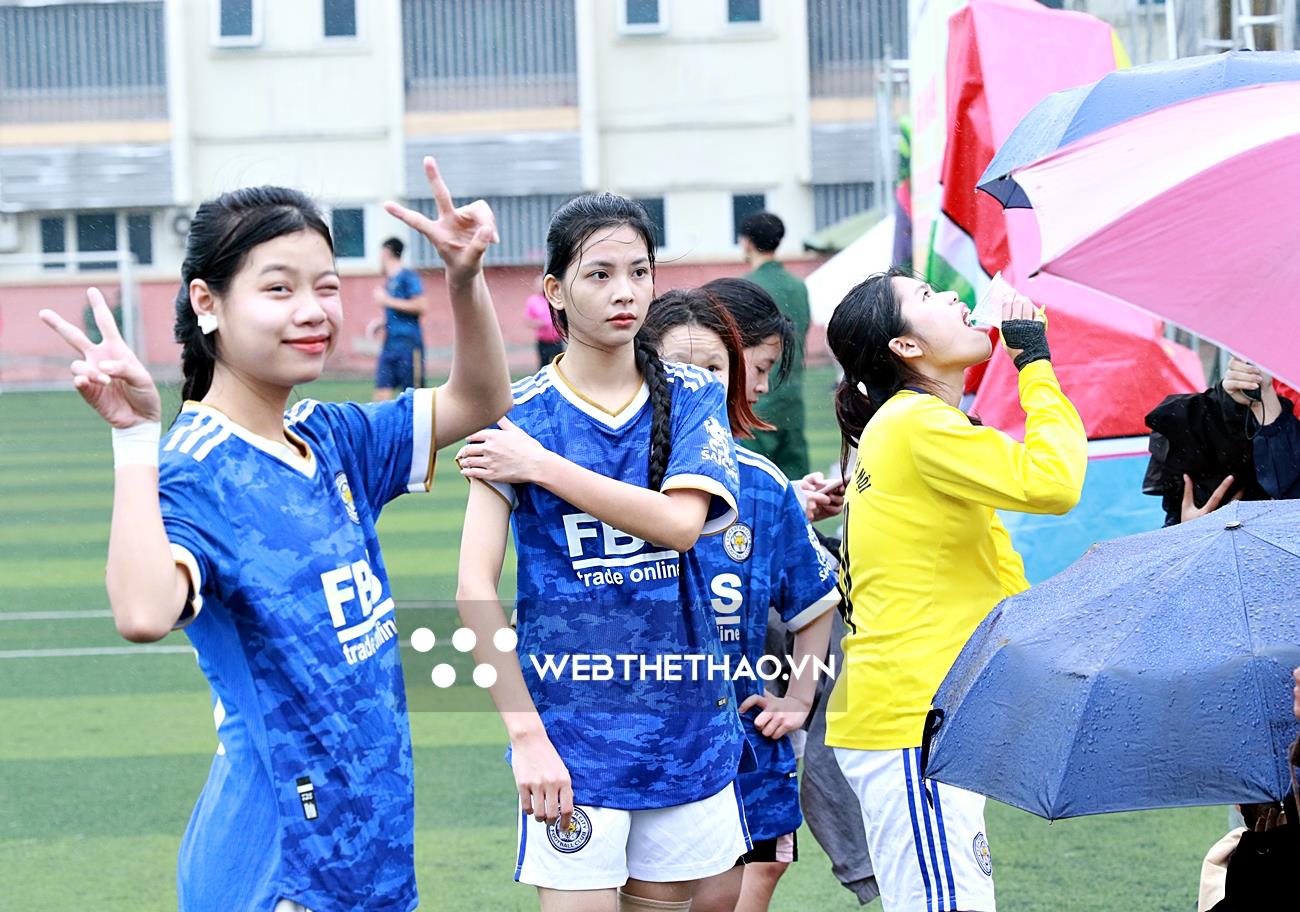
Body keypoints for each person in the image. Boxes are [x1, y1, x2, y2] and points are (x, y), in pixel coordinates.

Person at [38, 159, 512, 912]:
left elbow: (482, 399)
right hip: (280, 871)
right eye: (279, 289)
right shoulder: (197, 469)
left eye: (326, 286)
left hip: (374, 854)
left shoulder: (331, 437)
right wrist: (134, 440)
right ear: (208, 302)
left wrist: (464, 278)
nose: (313, 310)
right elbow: (143, 611)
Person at [452, 193, 749, 912]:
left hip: (685, 727)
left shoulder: (692, 393)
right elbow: (473, 588)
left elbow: (679, 525)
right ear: (554, 290)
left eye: (639, 272)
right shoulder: (515, 414)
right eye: (600, 274)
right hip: (570, 737)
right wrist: (527, 736)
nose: (625, 292)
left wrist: (541, 466)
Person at [824, 268, 1086, 912]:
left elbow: (997, 573)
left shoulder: (912, 424)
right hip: (909, 718)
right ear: (906, 347)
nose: (952, 296)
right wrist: (1034, 361)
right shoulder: (914, 422)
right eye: (925, 295)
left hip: (919, 716)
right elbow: (1054, 482)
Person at [638, 287, 838, 912]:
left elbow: (817, 602)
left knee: (732, 888)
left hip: (740, 747)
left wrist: (798, 697)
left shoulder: (761, 485)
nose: (697, 382)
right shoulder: (607, 482)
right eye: (678, 367)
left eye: (715, 368)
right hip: (639, 746)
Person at [738, 211, 811, 480]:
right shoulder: (798, 286)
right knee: (798, 487)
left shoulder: (745, 287)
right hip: (792, 399)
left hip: (757, 401)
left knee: (754, 484)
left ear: (747, 242)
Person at [373, 236, 428, 401]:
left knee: (414, 400)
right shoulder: (390, 281)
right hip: (389, 346)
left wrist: (386, 301)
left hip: (409, 347)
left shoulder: (408, 277)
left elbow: (421, 306)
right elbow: (399, 310)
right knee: (380, 397)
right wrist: (382, 323)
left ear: (386, 252)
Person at [526, 274, 566, 368]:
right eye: (538, 286)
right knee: (543, 366)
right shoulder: (532, 301)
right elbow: (528, 321)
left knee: (560, 366)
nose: (540, 288)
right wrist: (539, 323)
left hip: (557, 340)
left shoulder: (555, 298)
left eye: (542, 285)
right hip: (543, 341)